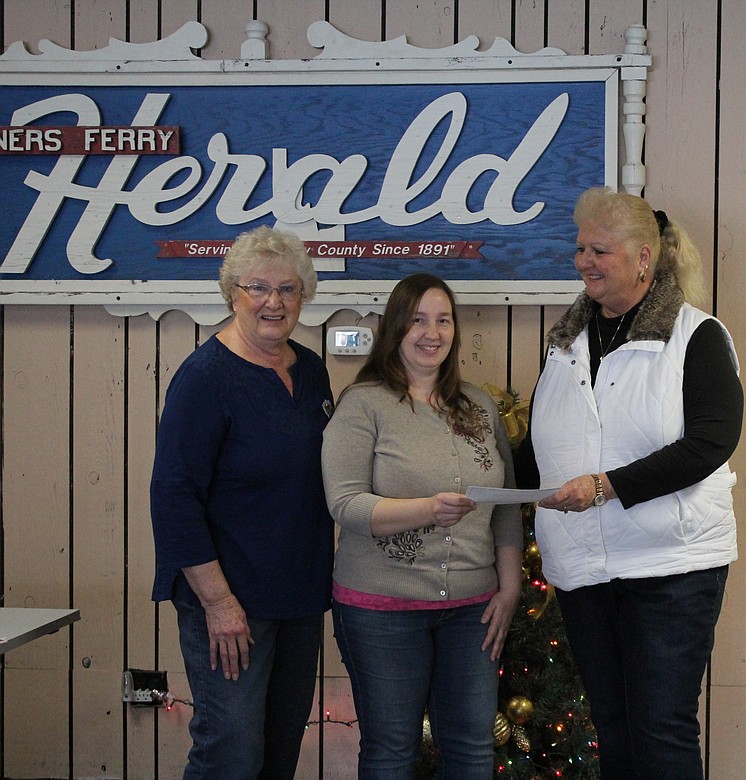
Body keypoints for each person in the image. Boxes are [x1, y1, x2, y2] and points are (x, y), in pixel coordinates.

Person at [515, 187, 744, 779]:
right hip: (586, 567)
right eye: (580, 248)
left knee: (661, 728)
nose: (584, 260)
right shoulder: (564, 345)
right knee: (612, 725)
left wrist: (604, 486)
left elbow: (709, 443)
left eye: (600, 250)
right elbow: (542, 448)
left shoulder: (698, 337)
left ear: (644, 257)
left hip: (672, 565)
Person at [149, 226, 335, 779]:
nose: (273, 302)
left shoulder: (310, 369)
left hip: (298, 596)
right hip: (230, 604)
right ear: (233, 292)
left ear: (304, 296)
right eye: (258, 287)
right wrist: (219, 603)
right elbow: (172, 496)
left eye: (289, 289)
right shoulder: (205, 378)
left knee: (278, 752)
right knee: (230, 753)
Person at [322, 273, 523, 779]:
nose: (431, 333)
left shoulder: (479, 406)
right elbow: (345, 505)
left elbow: (504, 507)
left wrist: (510, 587)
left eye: (443, 320)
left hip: (473, 610)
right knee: (392, 751)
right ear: (396, 328)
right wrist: (427, 509)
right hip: (381, 611)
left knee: (473, 750)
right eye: (417, 320)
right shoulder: (362, 404)